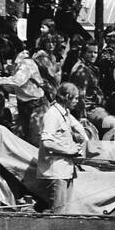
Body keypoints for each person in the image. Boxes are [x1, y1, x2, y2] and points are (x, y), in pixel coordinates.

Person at [38, 82, 90, 211]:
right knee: (59, 212)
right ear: (67, 96)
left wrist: (86, 141)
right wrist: (70, 150)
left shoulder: (64, 113)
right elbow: (47, 143)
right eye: (76, 98)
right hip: (57, 171)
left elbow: (77, 126)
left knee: (66, 212)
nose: (77, 101)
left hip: (66, 170)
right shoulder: (52, 115)